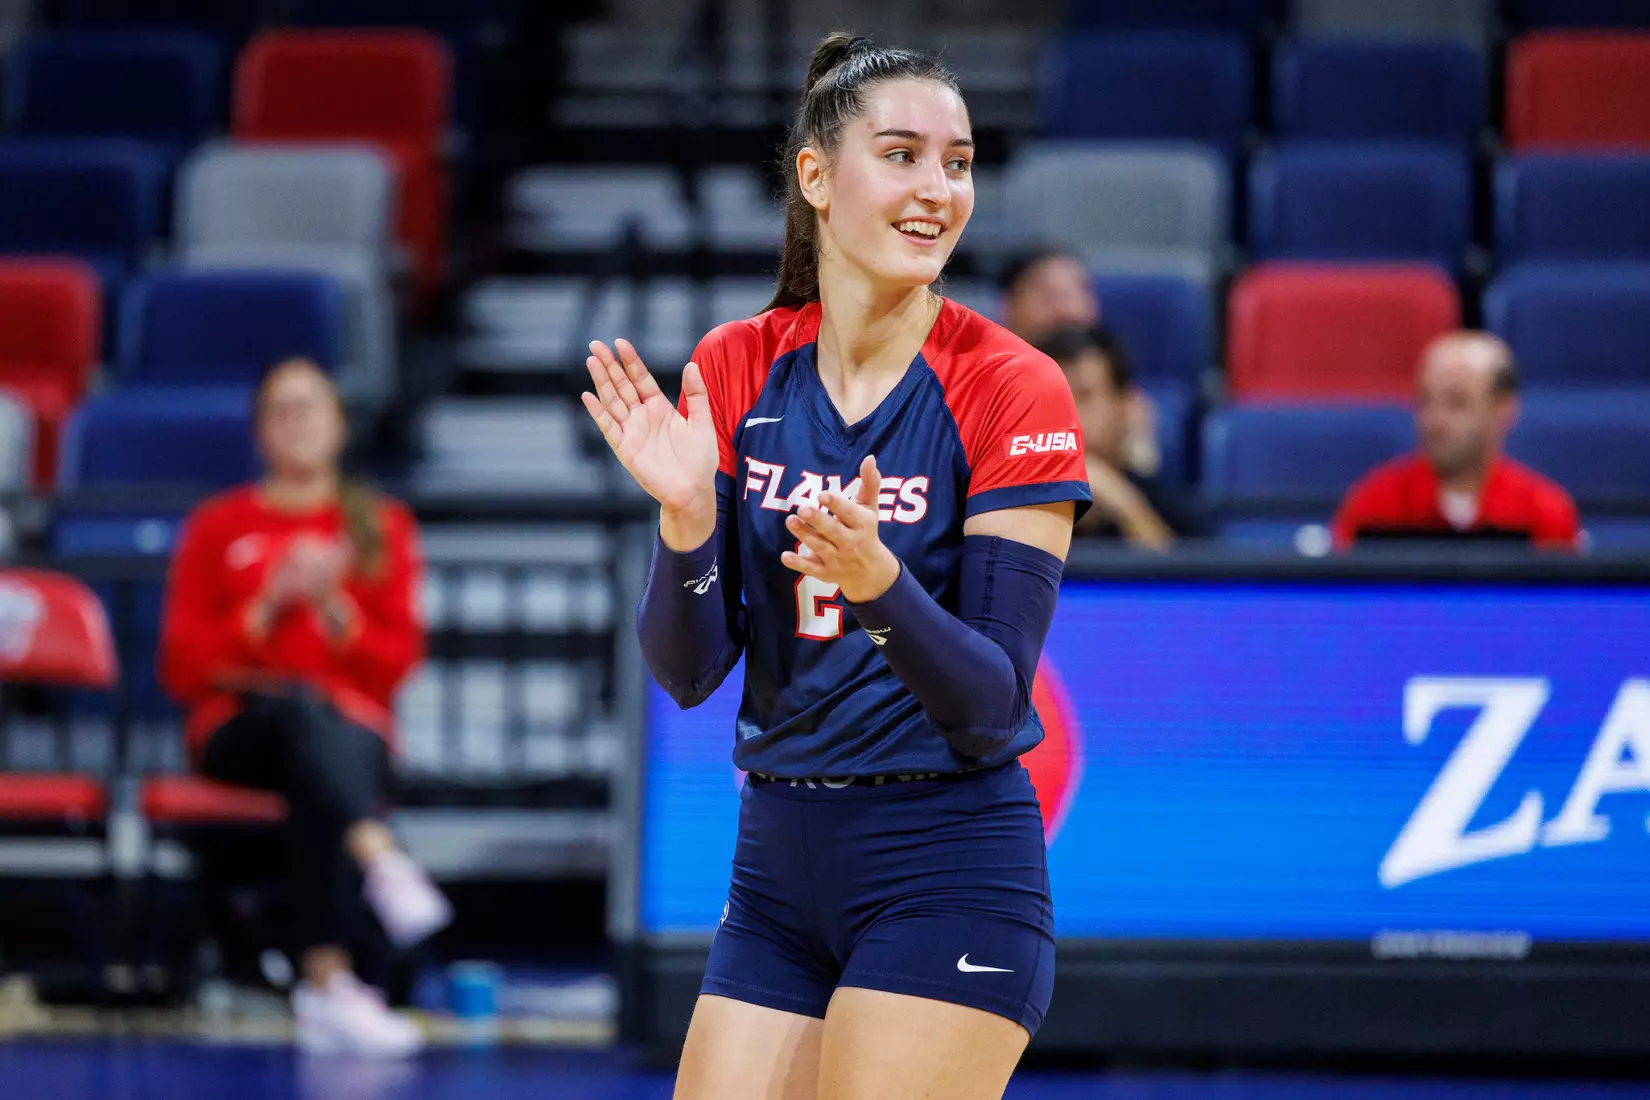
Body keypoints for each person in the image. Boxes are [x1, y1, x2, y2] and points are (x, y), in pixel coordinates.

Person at [581, 33, 1091, 1100]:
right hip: (776, 864)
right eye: (902, 156)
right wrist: (685, 518)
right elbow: (687, 671)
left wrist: (878, 584)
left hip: (945, 865)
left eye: (957, 162)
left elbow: (993, 705)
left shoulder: (1013, 385)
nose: (938, 188)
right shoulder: (736, 363)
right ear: (816, 177)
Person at [159, 357, 451, 1055]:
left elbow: (397, 663)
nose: (296, 423)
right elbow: (181, 667)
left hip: (349, 732)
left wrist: (333, 607)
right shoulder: (217, 525)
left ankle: (328, 983)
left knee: (317, 745)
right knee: (298, 716)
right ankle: (378, 856)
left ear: (339, 425)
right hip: (240, 729)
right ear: (260, 431)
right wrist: (268, 604)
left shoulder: (380, 526)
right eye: (280, 410)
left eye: (309, 407)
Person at [1333, 331, 1581, 551]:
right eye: (1426, 401)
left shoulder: (1544, 513)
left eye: (1457, 403)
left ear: (1504, 410)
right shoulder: (1373, 505)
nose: (1436, 420)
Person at [1038, 326, 1206, 549]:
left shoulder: (1168, 509)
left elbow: (1183, 569)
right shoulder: (1006, 505)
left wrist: (1125, 507)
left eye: (1083, 396)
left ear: (1123, 407)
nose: (1065, 416)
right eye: (1052, 400)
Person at [999, 249, 1161, 478]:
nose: (1066, 310)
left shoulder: (1128, 401)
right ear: (1009, 306)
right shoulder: (975, 384)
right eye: (1049, 296)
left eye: (1075, 293)